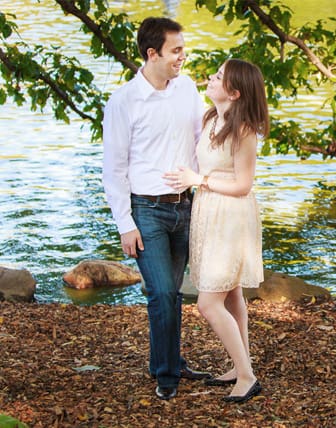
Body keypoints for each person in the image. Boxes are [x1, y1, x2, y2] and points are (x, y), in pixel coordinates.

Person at [102, 16, 210, 401]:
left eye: (182, 48)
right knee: (161, 291)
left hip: (185, 207)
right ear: (153, 54)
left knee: (174, 291)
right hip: (146, 210)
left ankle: (170, 361)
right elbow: (113, 169)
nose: (183, 56)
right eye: (176, 50)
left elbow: (202, 141)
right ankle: (167, 376)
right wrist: (124, 225)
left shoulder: (187, 89)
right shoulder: (123, 101)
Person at [163, 58, 268, 403]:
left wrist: (199, 181)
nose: (211, 77)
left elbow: (243, 184)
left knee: (209, 303)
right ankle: (240, 368)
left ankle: (248, 377)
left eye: (219, 76)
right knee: (233, 293)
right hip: (209, 211)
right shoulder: (211, 118)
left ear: (235, 92)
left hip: (231, 217)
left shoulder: (245, 130)